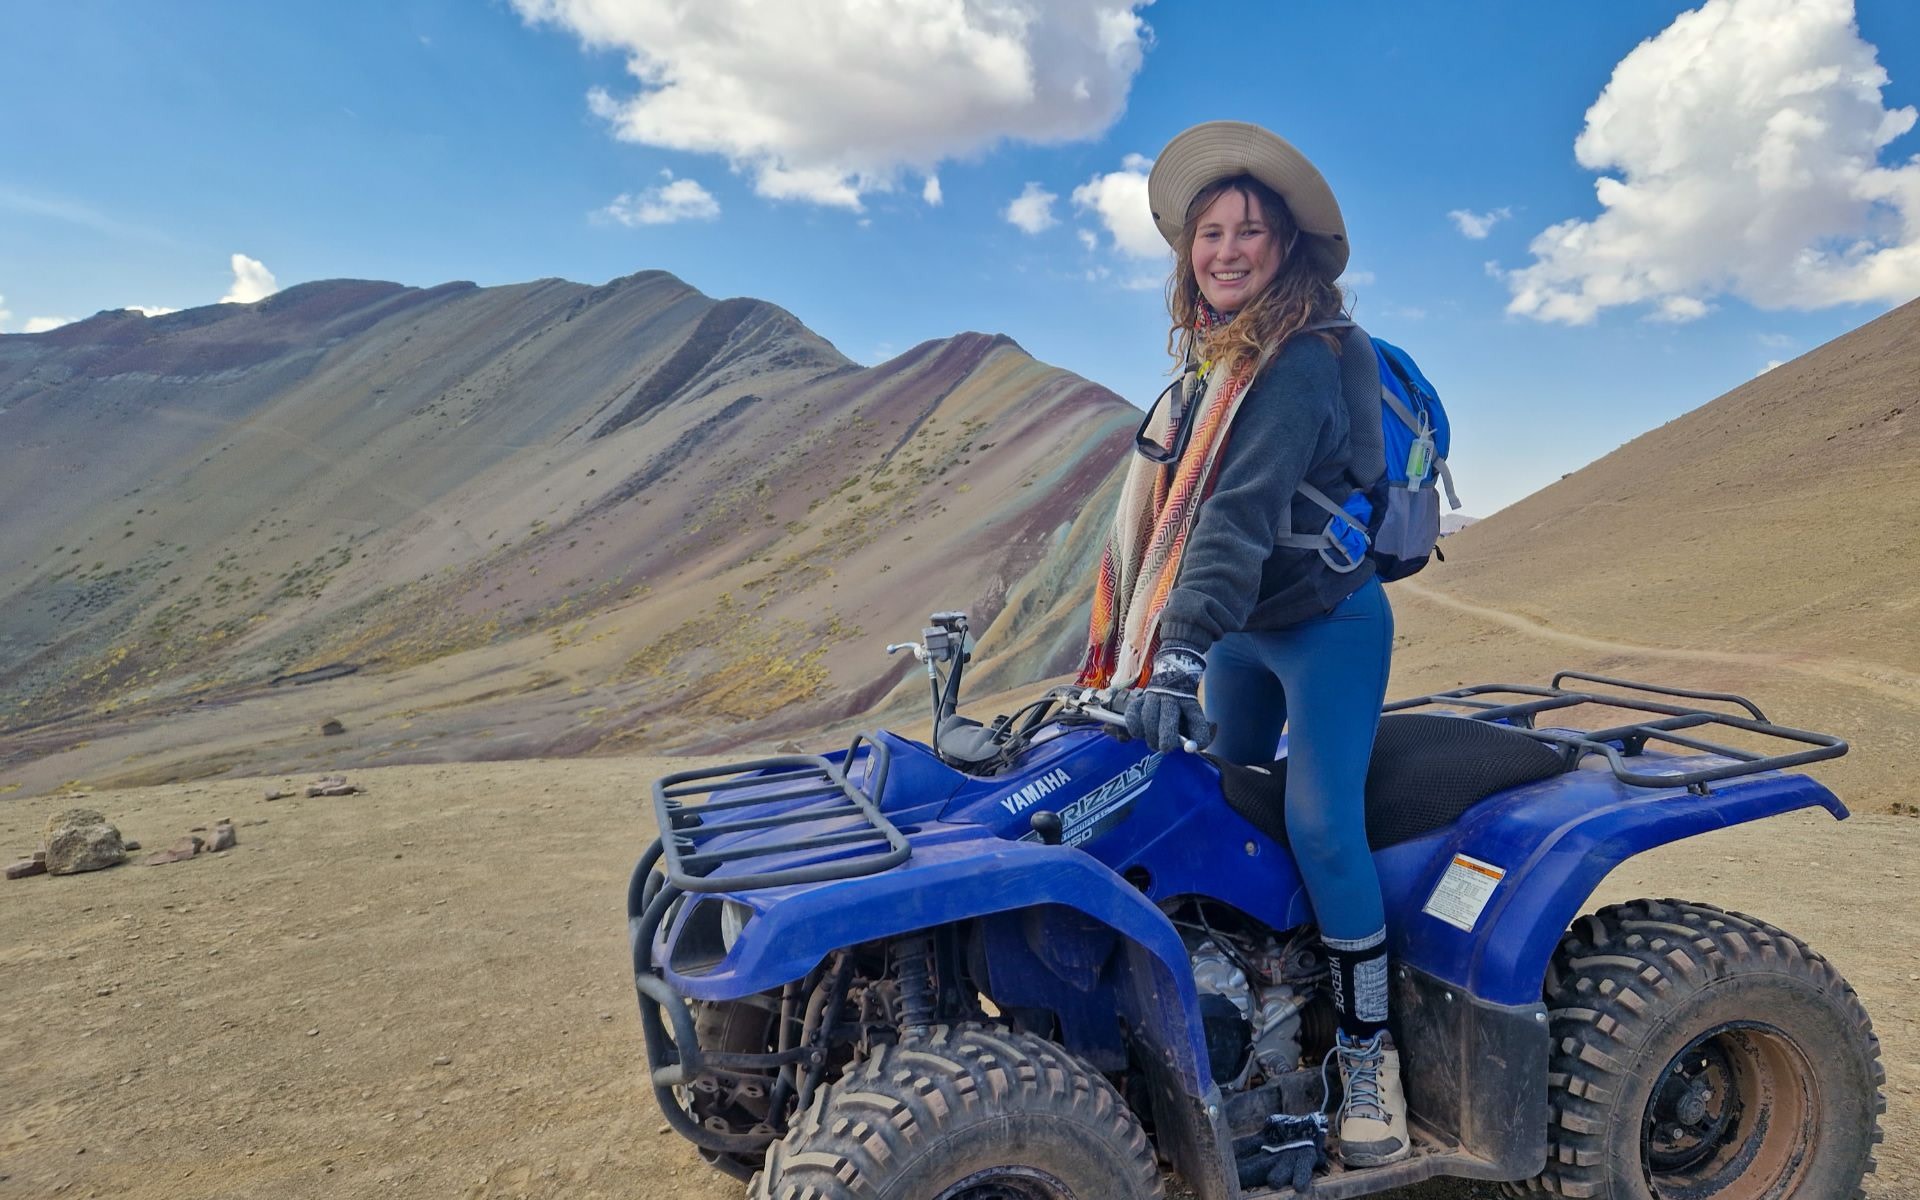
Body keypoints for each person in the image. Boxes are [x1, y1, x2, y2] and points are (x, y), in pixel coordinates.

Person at [1077, 121, 1405, 1167]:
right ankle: (1256, 1006)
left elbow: (1237, 515)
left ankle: (1369, 1057)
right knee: (1201, 805)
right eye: (1208, 232)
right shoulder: (1213, 369)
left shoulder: (1302, 361)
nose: (1225, 248)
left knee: (1318, 823)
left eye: (1248, 232)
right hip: (1244, 632)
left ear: (1286, 248)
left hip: (1327, 628)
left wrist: (1176, 652)